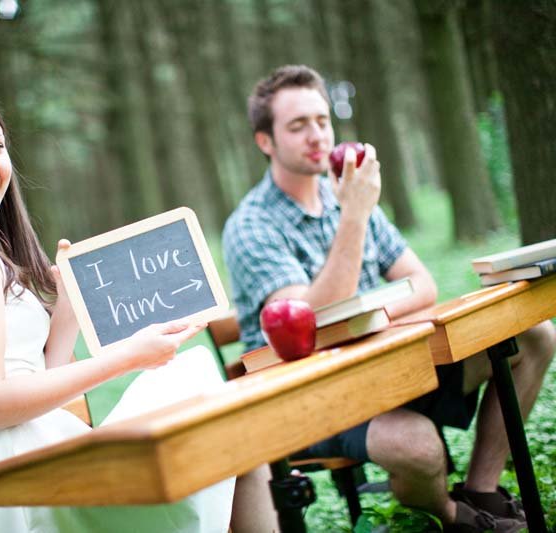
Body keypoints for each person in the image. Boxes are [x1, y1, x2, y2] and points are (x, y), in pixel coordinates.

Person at [222, 65, 555, 533]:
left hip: (387, 368)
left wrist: (364, 318)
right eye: (298, 126)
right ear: (266, 142)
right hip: (314, 399)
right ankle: (456, 518)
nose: (316, 135)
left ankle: (482, 493)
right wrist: (354, 216)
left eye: (322, 120)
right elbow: (308, 326)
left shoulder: (345, 193)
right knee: (416, 446)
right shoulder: (251, 227)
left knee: (535, 336)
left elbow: (422, 284)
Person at [0, 85, 237, 532]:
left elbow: (31, 388)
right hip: (20, 479)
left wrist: (67, 312)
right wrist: (128, 358)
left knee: (198, 387)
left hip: (33, 458)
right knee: (204, 397)